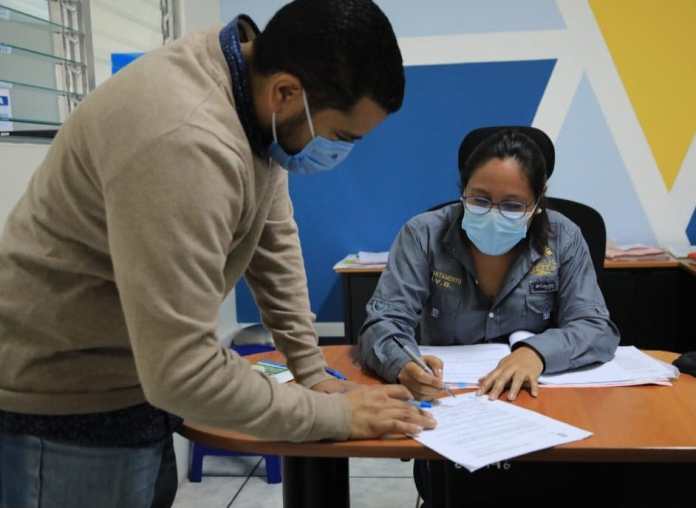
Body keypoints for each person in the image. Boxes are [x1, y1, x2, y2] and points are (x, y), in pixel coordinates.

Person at [0, 1, 435, 507]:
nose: (340, 152)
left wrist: (311, 372)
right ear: (286, 92)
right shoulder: (184, 137)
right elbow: (182, 371)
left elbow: (274, 240)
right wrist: (340, 417)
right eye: (341, 136)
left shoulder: (251, 96)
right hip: (64, 403)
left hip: (135, 380)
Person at [359, 126, 620, 505]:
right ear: (462, 190)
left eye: (513, 205)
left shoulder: (564, 237)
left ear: (537, 201)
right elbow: (383, 322)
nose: (494, 214)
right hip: (452, 416)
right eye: (479, 200)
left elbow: (595, 326)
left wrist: (536, 353)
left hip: (541, 414)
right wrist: (403, 364)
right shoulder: (423, 234)